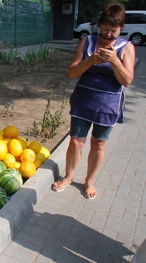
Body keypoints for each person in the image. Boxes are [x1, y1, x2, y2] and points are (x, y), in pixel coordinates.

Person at [52, 3, 135, 199]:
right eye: (104, 29)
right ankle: (68, 177)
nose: (107, 35)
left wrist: (114, 61)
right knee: (75, 142)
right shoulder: (87, 41)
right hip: (83, 100)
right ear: (99, 25)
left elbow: (127, 80)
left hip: (108, 105)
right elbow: (72, 72)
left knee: (98, 144)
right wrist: (90, 61)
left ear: (120, 29)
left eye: (113, 31)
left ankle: (89, 181)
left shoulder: (126, 47)